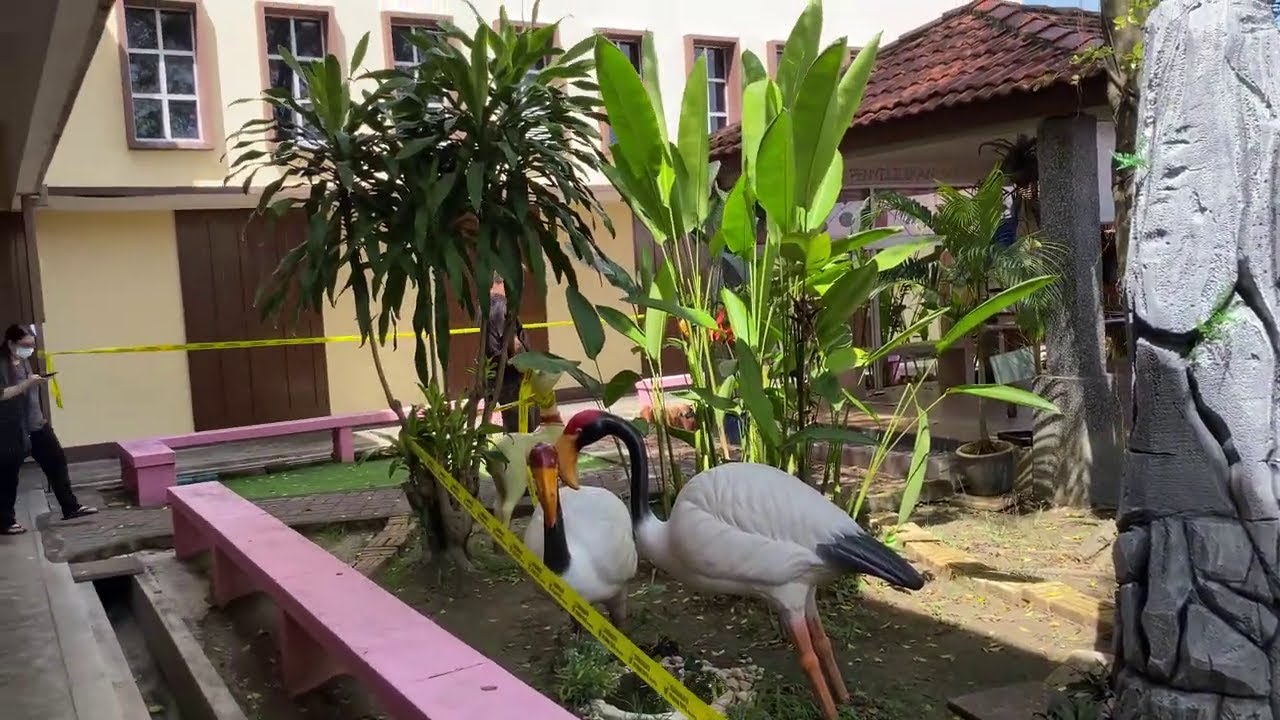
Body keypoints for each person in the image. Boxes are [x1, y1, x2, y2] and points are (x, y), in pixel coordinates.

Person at [0, 324, 96, 535]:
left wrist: (36, 381)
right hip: (11, 429)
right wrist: (26, 384)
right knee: (8, 475)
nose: (29, 349)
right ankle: (5, 521)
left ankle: (70, 507)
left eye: (32, 345)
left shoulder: (24, 361)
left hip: (36, 423)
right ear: (11, 343)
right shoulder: (2, 365)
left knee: (56, 461)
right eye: (25, 345)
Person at [486, 275, 539, 432]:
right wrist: (527, 367)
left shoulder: (486, 305)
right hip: (513, 379)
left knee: (513, 427)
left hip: (498, 376)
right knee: (523, 430)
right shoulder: (501, 306)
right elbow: (513, 343)